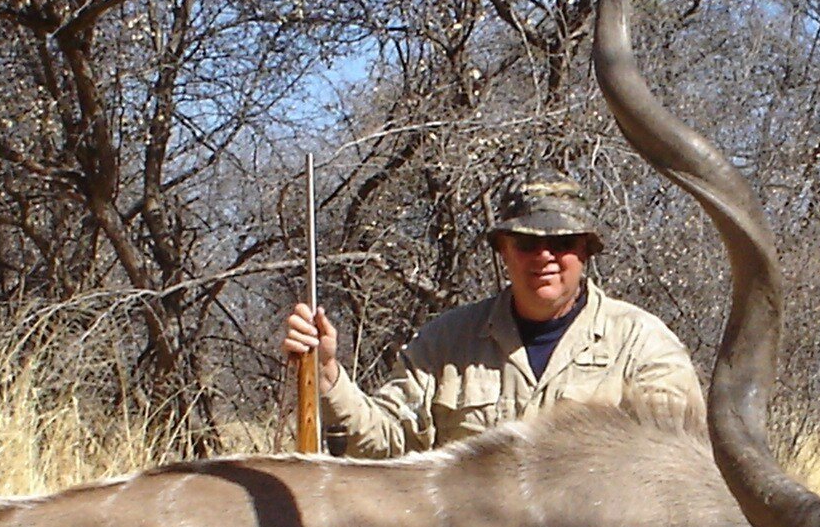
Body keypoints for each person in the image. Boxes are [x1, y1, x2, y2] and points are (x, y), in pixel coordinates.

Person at [283, 170, 704, 457]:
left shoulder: (644, 345)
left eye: (562, 243)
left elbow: (674, 472)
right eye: (525, 242)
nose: (544, 256)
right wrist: (326, 374)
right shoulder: (446, 342)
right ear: (502, 249)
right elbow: (384, 440)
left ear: (586, 251)